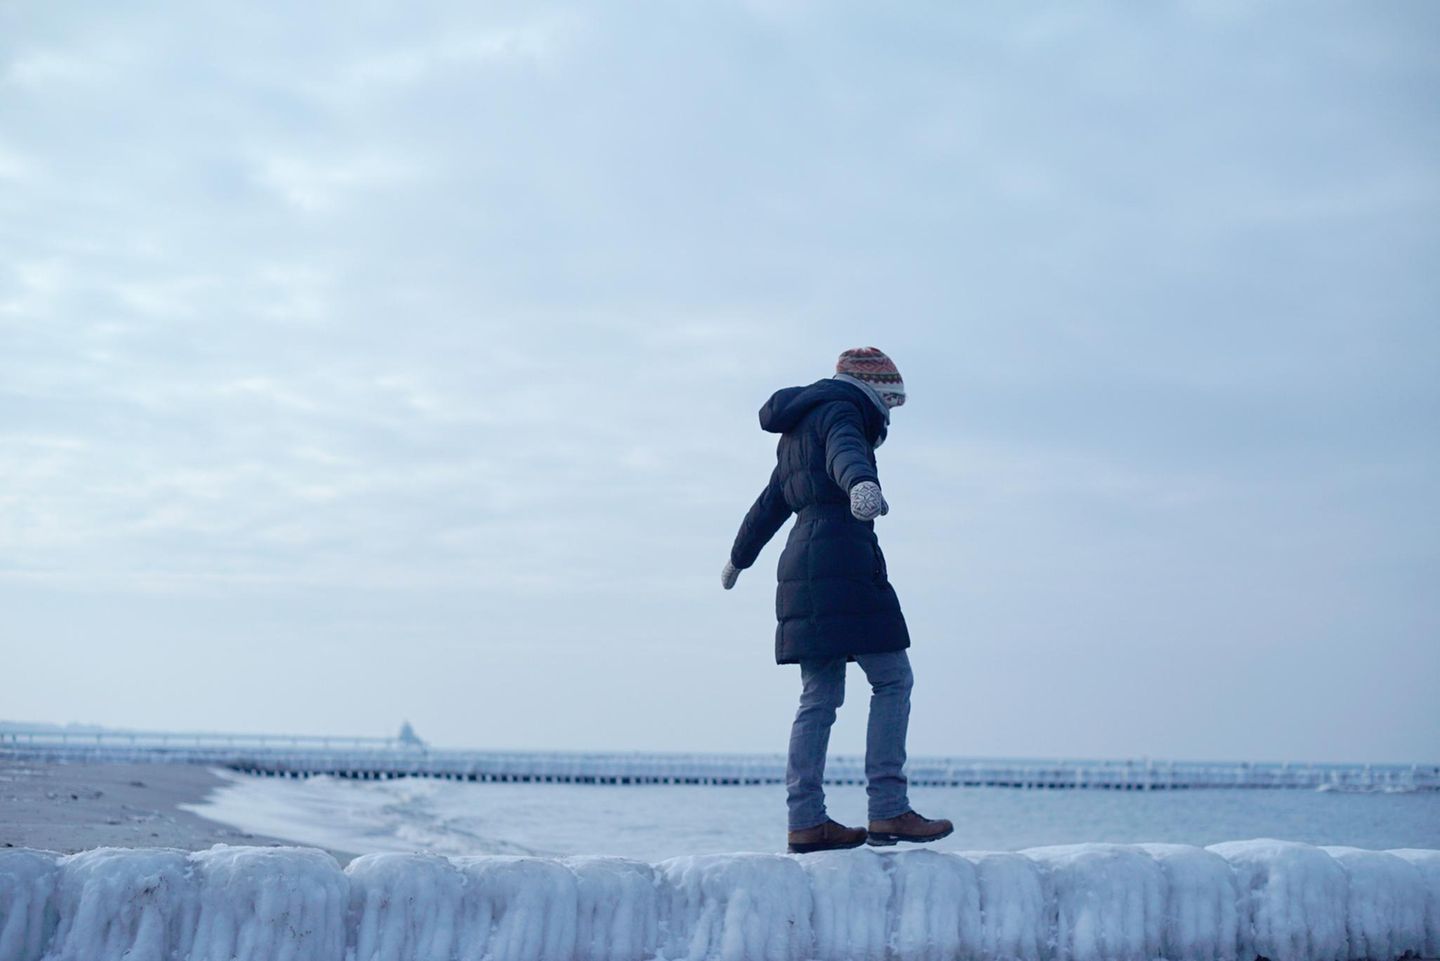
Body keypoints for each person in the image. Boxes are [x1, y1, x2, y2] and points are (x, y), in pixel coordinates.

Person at [722, 347, 953, 854]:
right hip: (844, 555)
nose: (888, 417)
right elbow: (847, 450)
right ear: (874, 391)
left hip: (799, 564)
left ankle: (806, 821)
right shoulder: (843, 408)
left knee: (819, 697)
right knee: (893, 678)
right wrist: (863, 484)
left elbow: (769, 503)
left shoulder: (796, 429)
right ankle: (889, 808)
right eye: (888, 404)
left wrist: (739, 559)